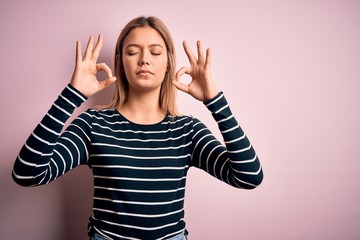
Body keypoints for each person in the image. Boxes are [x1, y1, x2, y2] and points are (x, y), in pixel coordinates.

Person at [12, 16, 263, 240]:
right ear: (121, 63)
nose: (144, 60)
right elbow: (27, 174)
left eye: (155, 52)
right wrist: (73, 94)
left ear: (168, 64)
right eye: (133, 52)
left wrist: (215, 100)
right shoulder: (93, 124)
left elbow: (249, 177)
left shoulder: (188, 131)